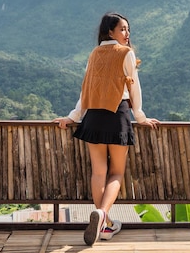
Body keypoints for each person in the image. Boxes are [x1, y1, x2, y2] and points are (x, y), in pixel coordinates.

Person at [53, 12, 160, 246]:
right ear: (109, 31)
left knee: (98, 172)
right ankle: (102, 215)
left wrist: (72, 117)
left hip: (92, 116)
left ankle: (106, 224)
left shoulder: (95, 53)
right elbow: (134, 88)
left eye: (128, 29)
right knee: (117, 173)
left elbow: (86, 89)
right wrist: (140, 117)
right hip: (117, 115)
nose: (127, 33)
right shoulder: (126, 53)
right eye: (122, 29)